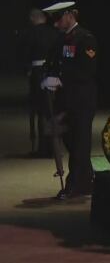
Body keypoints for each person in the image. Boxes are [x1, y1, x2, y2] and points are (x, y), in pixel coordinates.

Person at [41, 1, 98, 200]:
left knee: (80, 144)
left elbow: (87, 70)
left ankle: (77, 185)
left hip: (82, 100)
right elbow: (55, 62)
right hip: (66, 100)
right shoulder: (62, 39)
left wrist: (61, 79)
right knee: (71, 141)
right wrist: (48, 76)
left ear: (69, 15)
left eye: (58, 19)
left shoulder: (85, 39)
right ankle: (86, 179)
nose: (55, 24)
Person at [17, 8, 60, 157]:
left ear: (33, 18)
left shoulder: (30, 34)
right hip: (53, 73)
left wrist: (27, 70)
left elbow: (24, 54)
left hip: (37, 73)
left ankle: (42, 148)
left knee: (40, 110)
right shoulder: (54, 33)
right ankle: (54, 147)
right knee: (53, 110)